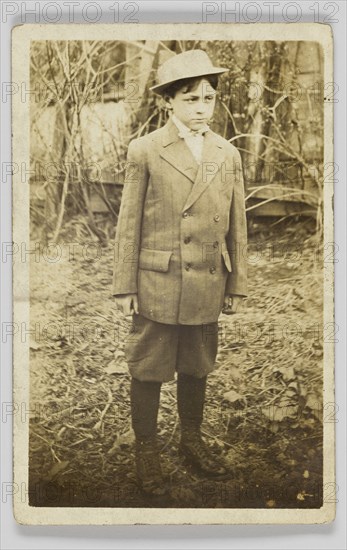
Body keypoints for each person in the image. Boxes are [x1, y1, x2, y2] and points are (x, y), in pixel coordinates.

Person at [112, 49, 248, 497]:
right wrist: (124, 285)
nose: (201, 108)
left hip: (207, 280)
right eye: (190, 99)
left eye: (208, 99)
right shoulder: (146, 150)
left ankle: (192, 441)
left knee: (197, 365)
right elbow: (128, 223)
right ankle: (146, 452)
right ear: (168, 102)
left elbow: (237, 226)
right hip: (158, 280)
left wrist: (237, 283)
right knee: (148, 367)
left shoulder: (226, 154)